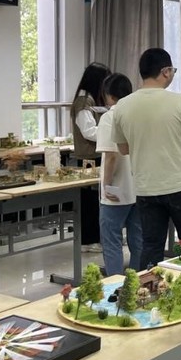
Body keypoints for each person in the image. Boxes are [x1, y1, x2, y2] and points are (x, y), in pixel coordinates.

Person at [111, 48, 181, 269]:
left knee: (151, 246)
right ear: (165, 71)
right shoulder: (180, 102)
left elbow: (123, 148)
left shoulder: (123, 105)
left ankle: (149, 287)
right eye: (172, 70)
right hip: (180, 185)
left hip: (146, 188)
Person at [95, 73, 142, 277]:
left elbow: (111, 155)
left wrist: (106, 185)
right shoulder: (139, 115)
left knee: (112, 240)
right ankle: (138, 281)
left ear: (108, 95)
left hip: (117, 190)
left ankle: (114, 283)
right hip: (139, 187)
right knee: (138, 239)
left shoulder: (110, 117)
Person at [71, 62, 111, 253]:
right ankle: (88, 240)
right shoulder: (83, 101)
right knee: (89, 201)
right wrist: (110, 133)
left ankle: (97, 237)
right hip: (89, 158)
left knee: (96, 200)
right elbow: (88, 131)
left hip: (96, 155)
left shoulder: (92, 100)